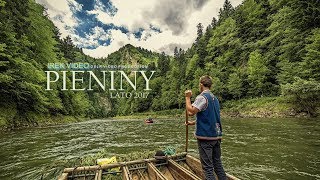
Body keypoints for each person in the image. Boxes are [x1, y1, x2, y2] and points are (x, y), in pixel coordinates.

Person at [185, 75, 226, 180]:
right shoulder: (215, 99)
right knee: (218, 165)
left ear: (201, 85)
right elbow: (210, 118)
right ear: (210, 85)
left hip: (206, 138)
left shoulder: (202, 97)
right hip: (216, 136)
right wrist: (193, 123)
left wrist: (187, 97)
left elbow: (190, 111)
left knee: (207, 168)